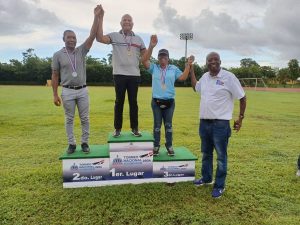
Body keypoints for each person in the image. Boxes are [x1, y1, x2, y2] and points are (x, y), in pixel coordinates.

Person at [190, 52, 247, 198]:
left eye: (215, 59)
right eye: (210, 60)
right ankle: (207, 178)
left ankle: (220, 186)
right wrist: (190, 69)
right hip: (204, 123)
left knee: (221, 157)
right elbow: (196, 87)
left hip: (220, 125)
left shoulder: (229, 77)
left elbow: (242, 97)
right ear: (206, 63)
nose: (213, 62)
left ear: (220, 61)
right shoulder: (204, 77)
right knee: (206, 154)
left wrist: (240, 118)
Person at [51, 5, 102, 154]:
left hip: (83, 90)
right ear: (64, 39)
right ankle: (71, 144)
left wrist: (96, 16)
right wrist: (55, 94)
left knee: (85, 118)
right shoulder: (57, 55)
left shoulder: (81, 50)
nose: (72, 40)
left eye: (74, 37)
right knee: (69, 119)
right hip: (67, 91)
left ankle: (85, 142)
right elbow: (55, 75)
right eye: (69, 37)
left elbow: (92, 35)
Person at [96, 8, 147, 138]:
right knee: (119, 102)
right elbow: (100, 38)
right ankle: (117, 129)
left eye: (129, 20)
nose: (127, 21)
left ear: (133, 24)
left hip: (134, 75)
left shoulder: (139, 39)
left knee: (133, 102)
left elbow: (145, 57)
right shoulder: (114, 36)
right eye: (124, 19)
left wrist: (151, 47)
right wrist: (100, 17)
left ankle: (135, 128)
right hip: (119, 74)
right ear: (121, 23)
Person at [142, 35, 194, 156]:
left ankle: (169, 145)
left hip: (170, 102)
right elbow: (144, 61)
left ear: (168, 59)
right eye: (160, 57)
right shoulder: (154, 68)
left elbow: (183, 77)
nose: (162, 59)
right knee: (157, 126)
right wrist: (151, 46)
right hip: (156, 102)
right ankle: (155, 146)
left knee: (169, 126)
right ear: (158, 58)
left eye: (165, 57)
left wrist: (188, 65)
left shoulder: (173, 68)